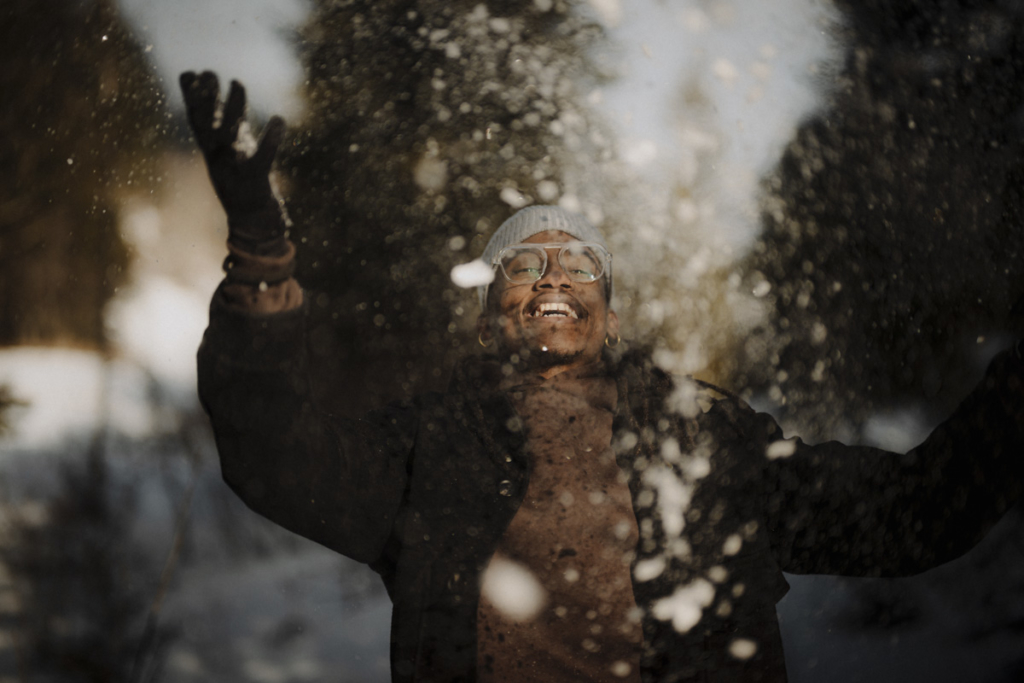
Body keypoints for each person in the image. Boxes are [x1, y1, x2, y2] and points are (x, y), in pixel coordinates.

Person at [184, 71, 1024, 683]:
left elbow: (914, 516)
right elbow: (272, 457)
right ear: (488, 319)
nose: (553, 274)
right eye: (526, 263)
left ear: (611, 315)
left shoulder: (706, 435)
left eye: (579, 263)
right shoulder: (427, 445)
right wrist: (261, 250)